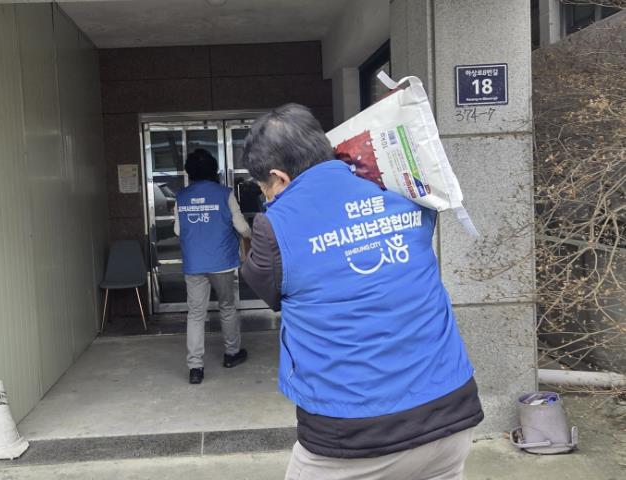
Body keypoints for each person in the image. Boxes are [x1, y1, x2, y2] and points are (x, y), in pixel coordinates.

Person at [240, 104, 484, 479]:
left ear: (279, 177)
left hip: (353, 437)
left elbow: (263, 283)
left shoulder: (273, 228)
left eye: (265, 189)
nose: (268, 198)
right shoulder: (402, 192)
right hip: (451, 416)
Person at [174, 149, 250, 384]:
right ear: (213, 169)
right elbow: (242, 228)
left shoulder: (181, 196)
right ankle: (232, 354)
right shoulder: (225, 194)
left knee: (196, 314)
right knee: (227, 307)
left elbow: (177, 230)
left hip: (194, 263)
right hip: (222, 262)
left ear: (190, 171)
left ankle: (195, 368)